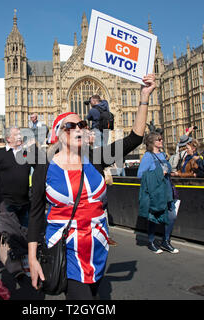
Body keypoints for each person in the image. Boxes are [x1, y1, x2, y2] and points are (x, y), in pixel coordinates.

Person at [28, 74, 156, 300]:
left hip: (97, 247)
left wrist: (144, 96)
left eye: (82, 124)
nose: (79, 128)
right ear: (58, 133)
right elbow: (36, 213)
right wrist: (32, 257)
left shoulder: (96, 159)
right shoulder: (45, 167)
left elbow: (134, 139)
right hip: (65, 246)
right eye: (71, 126)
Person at [138, 133, 179, 254]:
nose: (161, 141)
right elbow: (141, 175)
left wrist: (172, 173)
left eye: (161, 138)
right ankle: (151, 241)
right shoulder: (147, 156)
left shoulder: (162, 155)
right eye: (159, 139)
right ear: (152, 142)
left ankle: (165, 241)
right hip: (156, 191)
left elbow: (168, 170)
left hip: (167, 189)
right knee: (154, 217)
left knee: (171, 216)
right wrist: (159, 173)